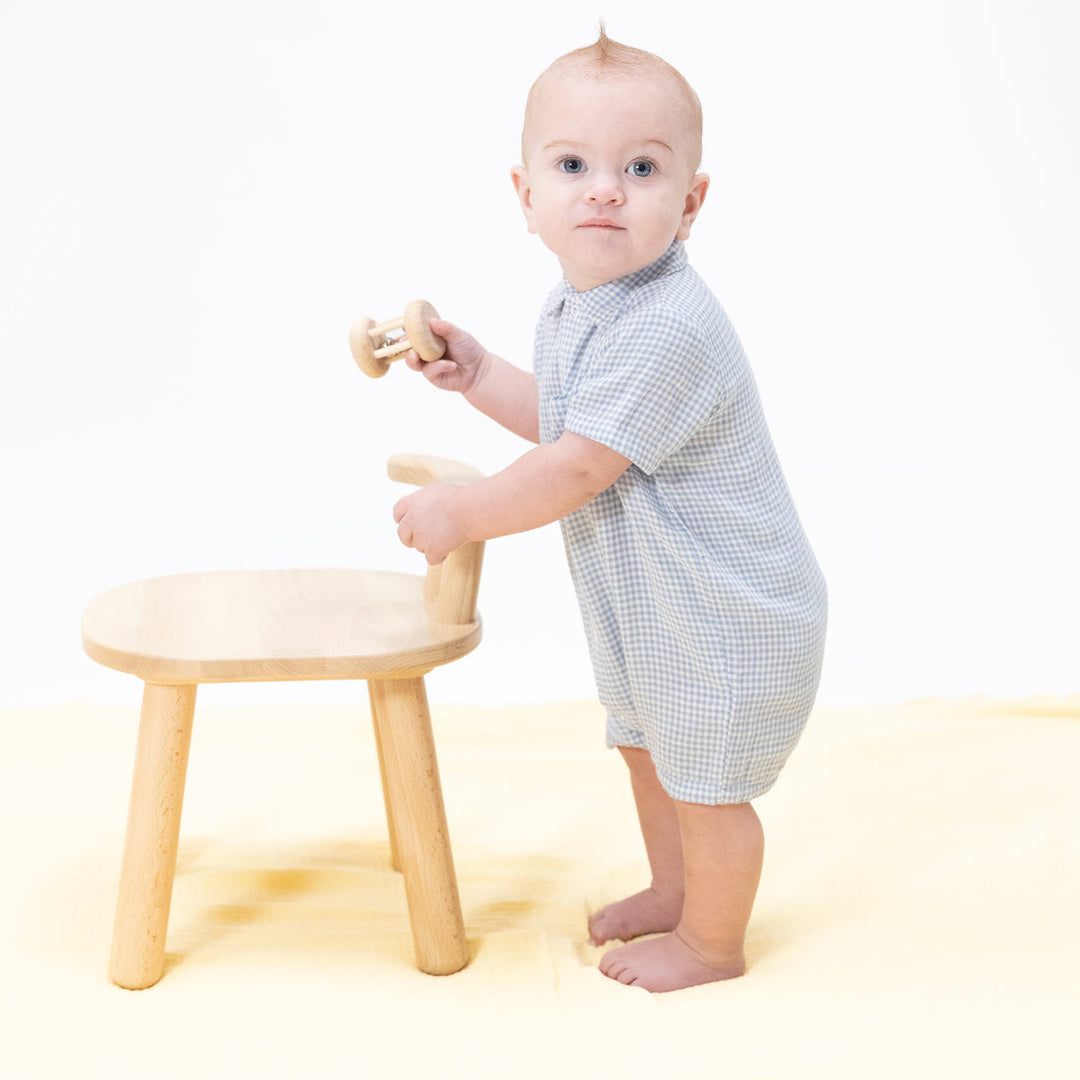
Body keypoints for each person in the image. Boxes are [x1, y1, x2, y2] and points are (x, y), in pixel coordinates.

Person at [392, 30, 827, 992]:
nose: (604, 190)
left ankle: (712, 942)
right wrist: (480, 376)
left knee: (705, 787)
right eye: (574, 165)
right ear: (526, 197)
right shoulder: (578, 303)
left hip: (727, 612)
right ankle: (677, 894)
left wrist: (462, 512)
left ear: (691, 203)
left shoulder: (669, 321)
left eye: (641, 168)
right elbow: (567, 419)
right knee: (646, 752)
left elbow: (578, 467)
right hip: (656, 606)